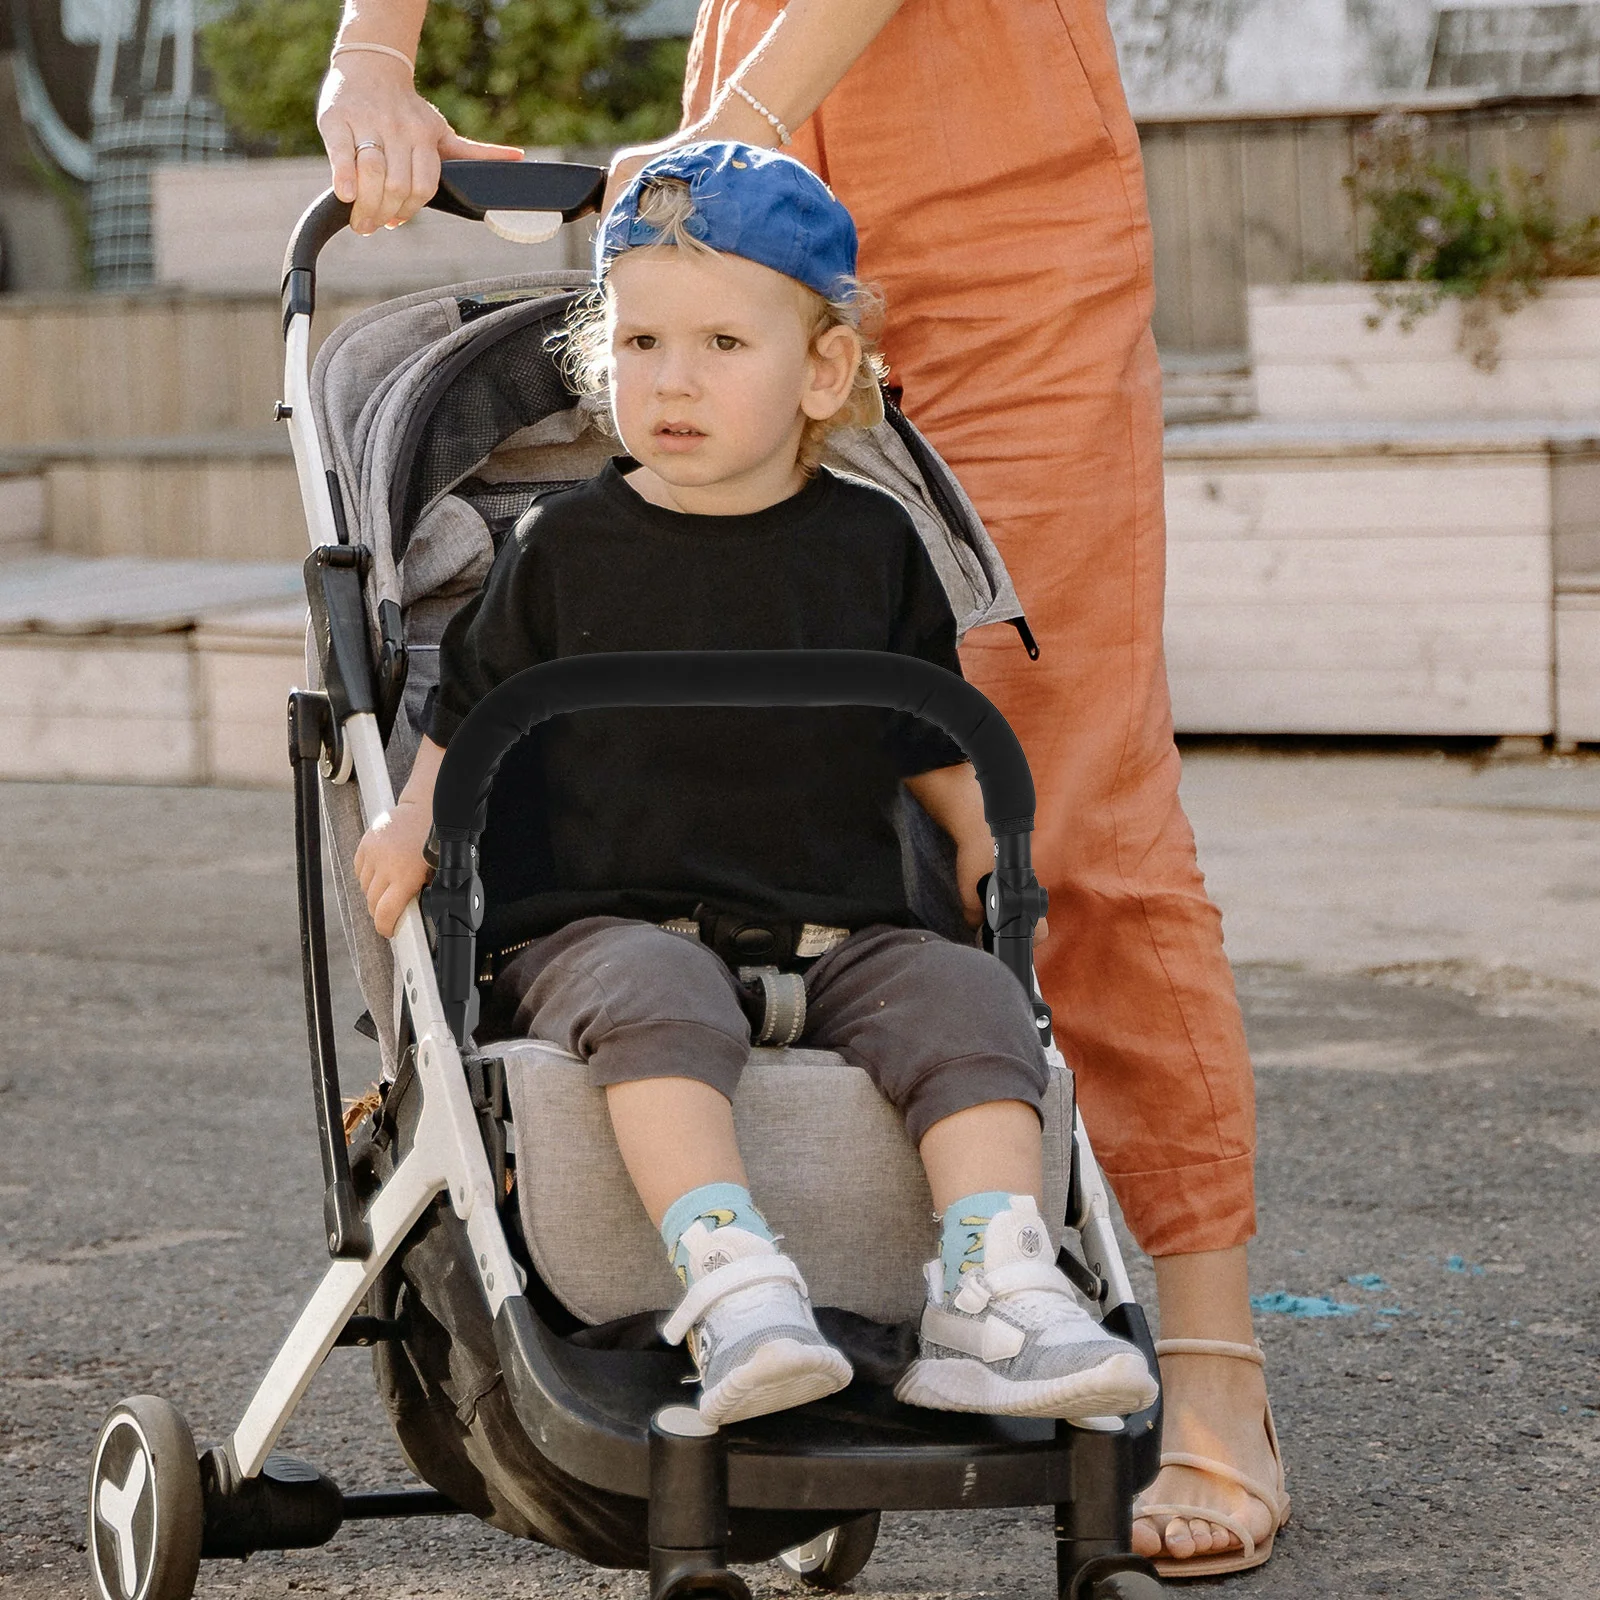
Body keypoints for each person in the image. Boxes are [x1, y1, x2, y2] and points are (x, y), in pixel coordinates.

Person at [321, 0, 1288, 1576]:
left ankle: (1203, 1367)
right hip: (756, 128)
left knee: (1065, 812)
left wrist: (735, 131)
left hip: (980, 169)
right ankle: (779, 1302)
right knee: (713, 684)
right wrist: (373, 56)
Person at [354, 142, 1158, 1430]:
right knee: (656, 990)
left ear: (824, 371)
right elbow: (469, 712)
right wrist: (413, 819)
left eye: (723, 345)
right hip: (610, 926)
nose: (672, 380)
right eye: (641, 344)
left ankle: (995, 1287)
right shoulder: (563, 547)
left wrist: (980, 840)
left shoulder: (873, 543)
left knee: (968, 995)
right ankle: (734, 1282)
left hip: (838, 931)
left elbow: (924, 729)